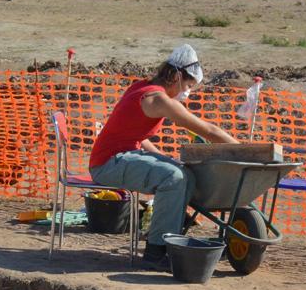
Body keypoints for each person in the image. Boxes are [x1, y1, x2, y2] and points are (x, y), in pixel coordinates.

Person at [89, 44, 240, 270]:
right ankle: (156, 252)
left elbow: (134, 135)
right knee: (174, 177)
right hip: (107, 163)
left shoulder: (142, 87)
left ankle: (172, 239)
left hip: (120, 156)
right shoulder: (157, 99)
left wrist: (163, 158)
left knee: (183, 173)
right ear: (176, 76)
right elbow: (208, 130)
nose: (187, 92)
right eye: (188, 85)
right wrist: (244, 150)